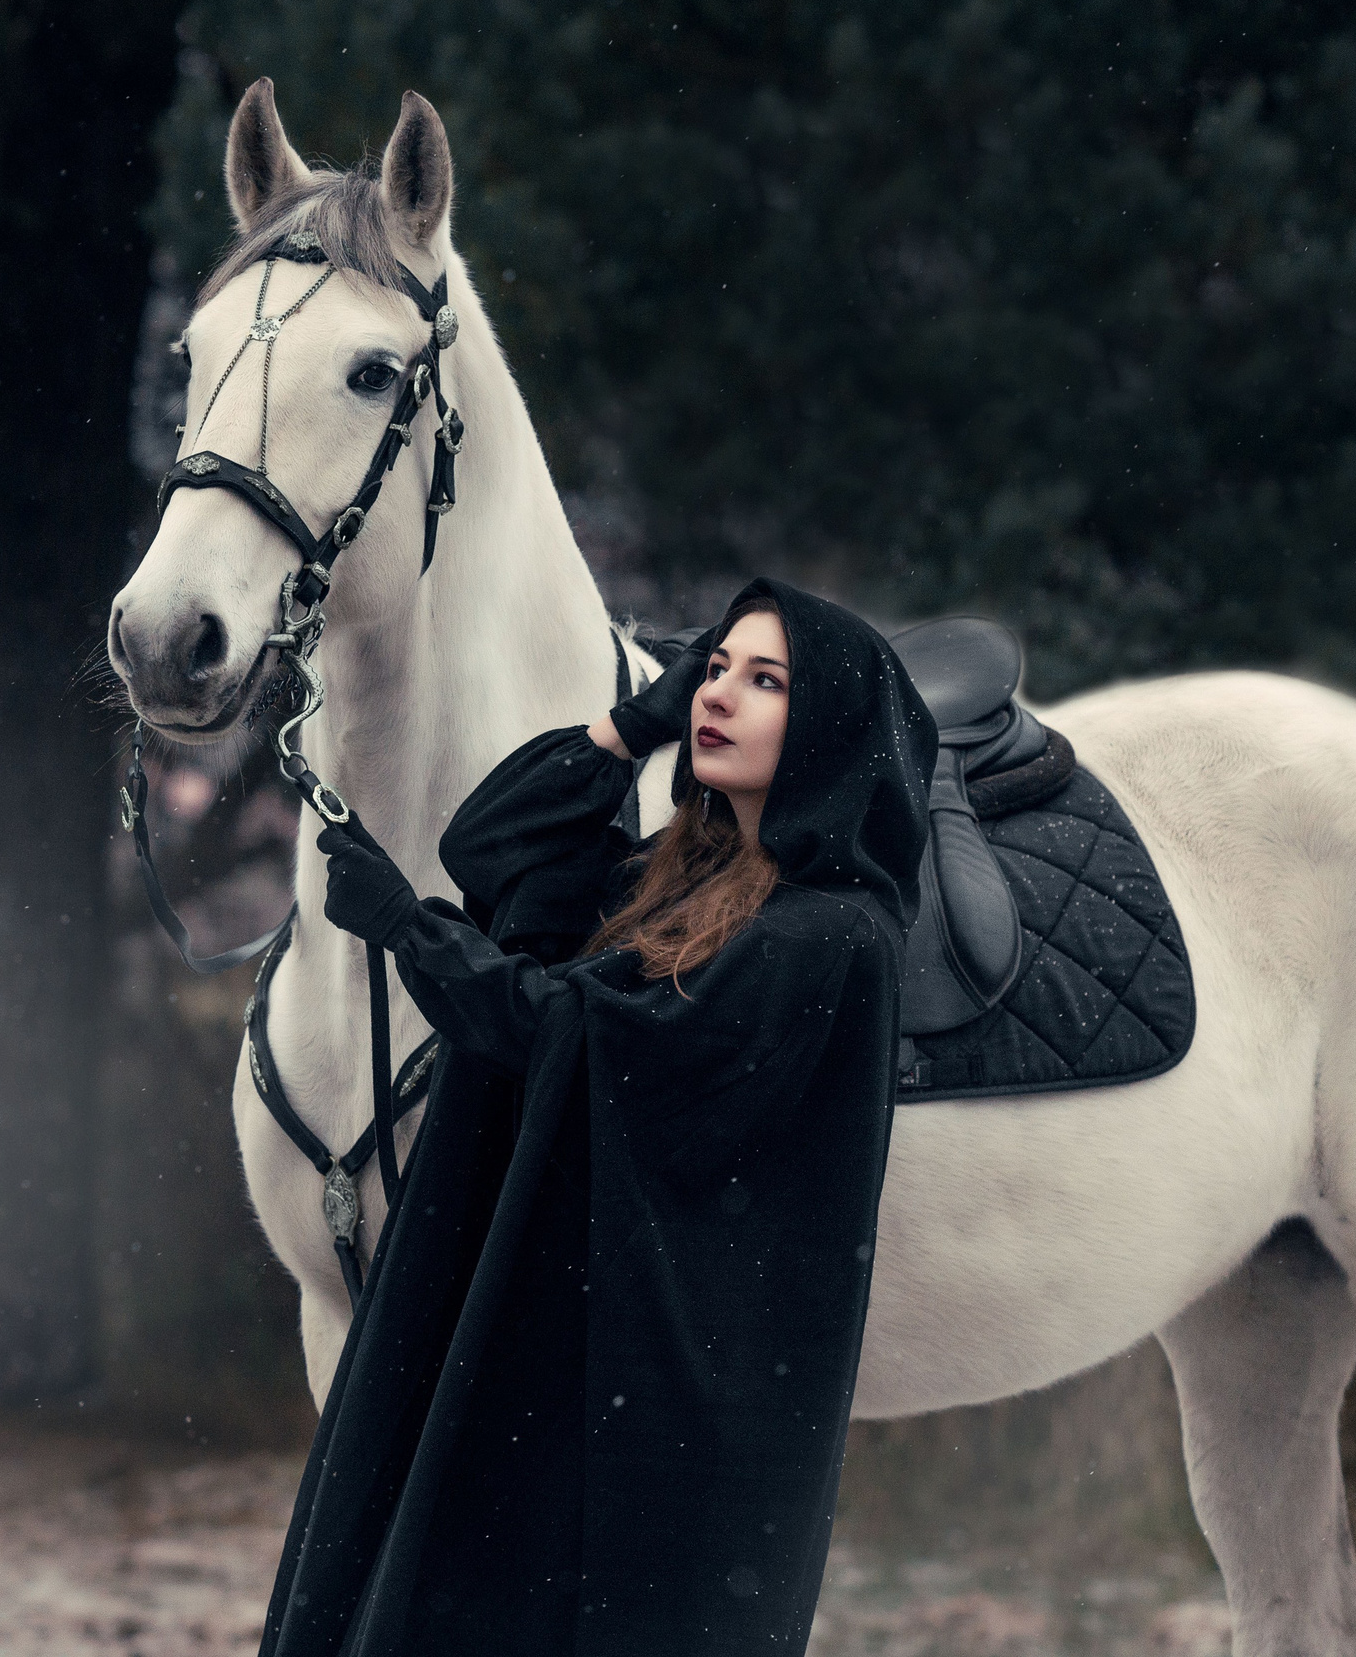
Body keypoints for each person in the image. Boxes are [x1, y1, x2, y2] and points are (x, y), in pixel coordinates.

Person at [259, 579, 937, 1657]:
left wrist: (405, 927)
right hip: (573, 1347)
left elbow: (565, 1035)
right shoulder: (667, 883)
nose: (720, 694)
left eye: (766, 682)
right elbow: (494, 847)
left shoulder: (827, 937)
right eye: (716, 669)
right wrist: (632, 724)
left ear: (831, 725)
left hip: (666, 1399)